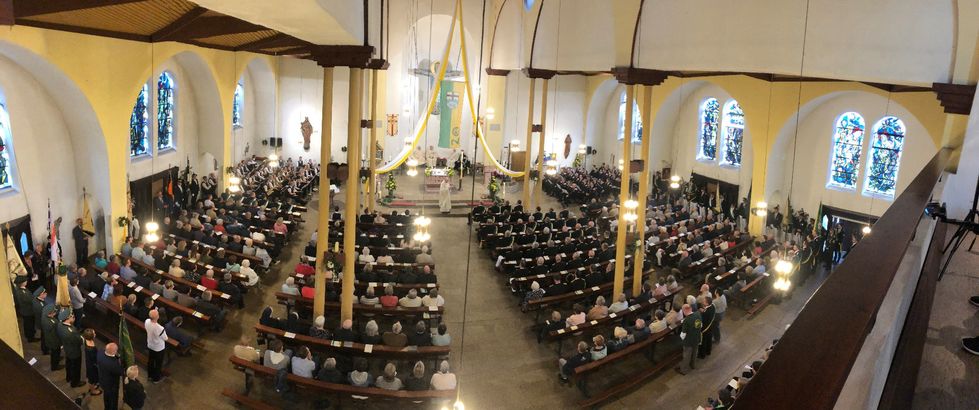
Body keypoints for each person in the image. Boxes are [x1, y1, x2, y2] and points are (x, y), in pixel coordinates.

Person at [57, 309, 85, 387]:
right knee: (76, 367)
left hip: (67, 349)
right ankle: (75, 382)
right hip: (75, 352)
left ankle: (68, 377)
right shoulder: (71, 332)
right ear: (68, 318)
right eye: (72, 316)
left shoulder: (60, 325)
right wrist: (82, 338)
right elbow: (80, 341)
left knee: (69, 363)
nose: (73, 317)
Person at [676, 304, 702, 375]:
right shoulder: (698, 314)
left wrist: (681, 338)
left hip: (689, 341)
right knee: (694, 352)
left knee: (687, 355)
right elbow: (700, 325)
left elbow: (683, 334)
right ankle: (693, 365)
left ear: (684, 311)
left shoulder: (686, 320)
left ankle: (683, 370)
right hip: (697, 338)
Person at [98, 343, 124, 410]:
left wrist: (116, 357)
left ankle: (106, 408)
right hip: (112, 385)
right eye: (116, 350)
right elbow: (120, 372)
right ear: (114, 352)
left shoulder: (100, 353)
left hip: (103, 380)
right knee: (113, 400)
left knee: (106, 396)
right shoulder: (113, 364)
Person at [144, 309, 168, 383]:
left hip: (150, 345)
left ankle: (150, 375)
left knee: (151, 361)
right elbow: (166, 338)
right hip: (158, 348)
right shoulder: (160, 328)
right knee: (158, 363)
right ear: (157, 317)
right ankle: (156, 379)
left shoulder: (147, 321)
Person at [82, 328, 102, 396]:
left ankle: (93, 386)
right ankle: (92, 391)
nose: (95, 334)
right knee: (92, 378)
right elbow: (95, 358)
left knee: (93, 377)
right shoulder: (91, 349)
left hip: (91, 362)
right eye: (94, 333)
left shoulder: (87, 341)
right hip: (92, 365)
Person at [698, 294, 716, 359]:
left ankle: (702, 355)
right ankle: (708, 351)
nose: (702, 302)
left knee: (703, 342)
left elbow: (703, 321)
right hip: (711, 327)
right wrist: (703, 311)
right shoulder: (713, 306)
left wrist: (702, 313)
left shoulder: (705, 313)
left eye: (704, 301)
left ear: (707, 303)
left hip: (705, 329)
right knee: (709, 340)